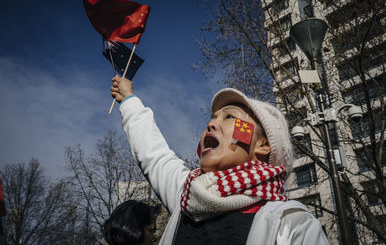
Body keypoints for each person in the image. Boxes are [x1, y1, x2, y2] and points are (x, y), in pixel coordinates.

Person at [110, 76, 330, 245]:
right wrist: (130, 100)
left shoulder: (292, 223)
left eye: (229, 117)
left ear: (263, 145)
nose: (212, 124)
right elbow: (153, 153)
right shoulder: (186, 196)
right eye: (212, 118)